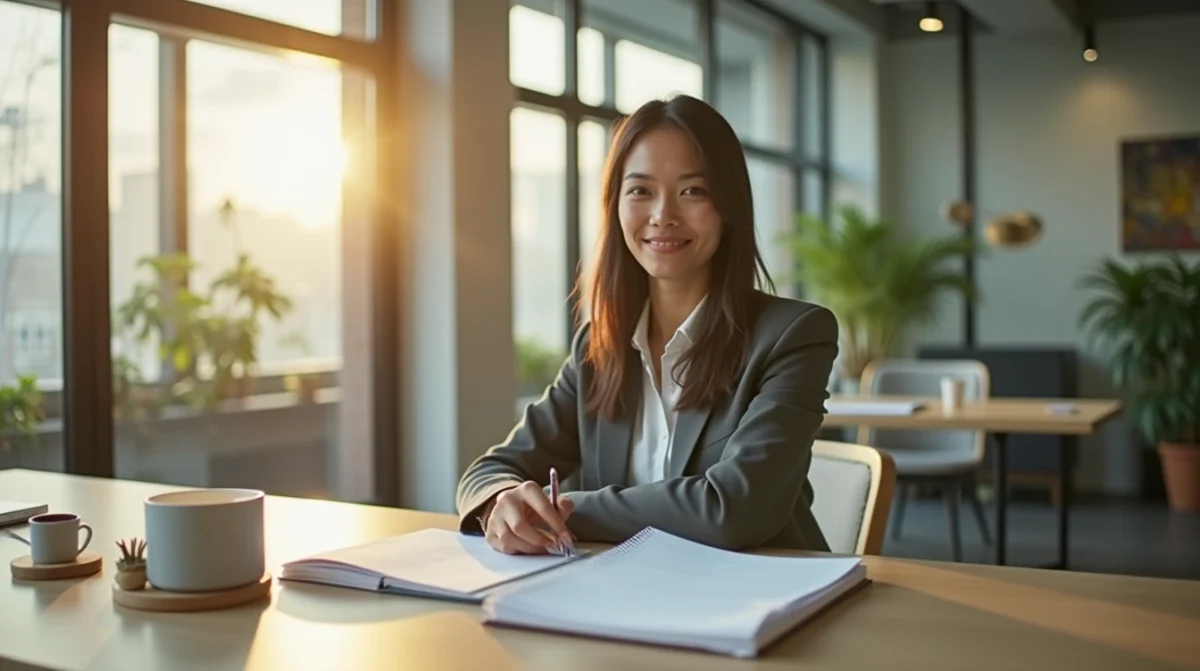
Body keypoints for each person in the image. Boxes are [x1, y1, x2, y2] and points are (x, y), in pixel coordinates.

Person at [455, 94, 838, 555]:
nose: (663, 215)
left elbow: (734, 509)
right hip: (625, 602)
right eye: (640, 190)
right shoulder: (598, 346)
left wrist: (564, 508)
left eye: (692, 190)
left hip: (764, 603)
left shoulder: (793, 336)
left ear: (729, 205)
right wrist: (503, 502)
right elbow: (490, 470)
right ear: (615, 206)